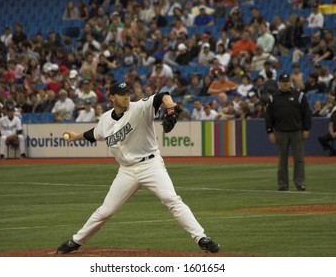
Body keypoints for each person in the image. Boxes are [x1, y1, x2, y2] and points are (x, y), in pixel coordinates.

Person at [56, 82, 220, 254]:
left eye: (127, 93)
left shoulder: (139, 108)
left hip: (151, 165)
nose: (126, 96)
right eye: (121, 94)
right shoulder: (105, 119)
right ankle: (75, 241)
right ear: (112, 98)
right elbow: (94, 133)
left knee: (172, 200)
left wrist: (171, 106)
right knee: (106, 210)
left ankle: (201, 238)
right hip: (126, 171)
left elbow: (162, 95)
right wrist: (75, 137)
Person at [265, 73, 312, 191]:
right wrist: (270, 131)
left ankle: (300, 183)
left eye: (287, 81)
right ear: (279, 83)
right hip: (280, 132)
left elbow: (307, 113)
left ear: (290, 82)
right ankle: (282, 184)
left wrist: (306, 128)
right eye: (283, 81)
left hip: (297, 131)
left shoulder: (300, 95)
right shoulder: (273, 98)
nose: (285, 83)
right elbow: (268, 116)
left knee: (299, 159)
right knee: (282, 160)